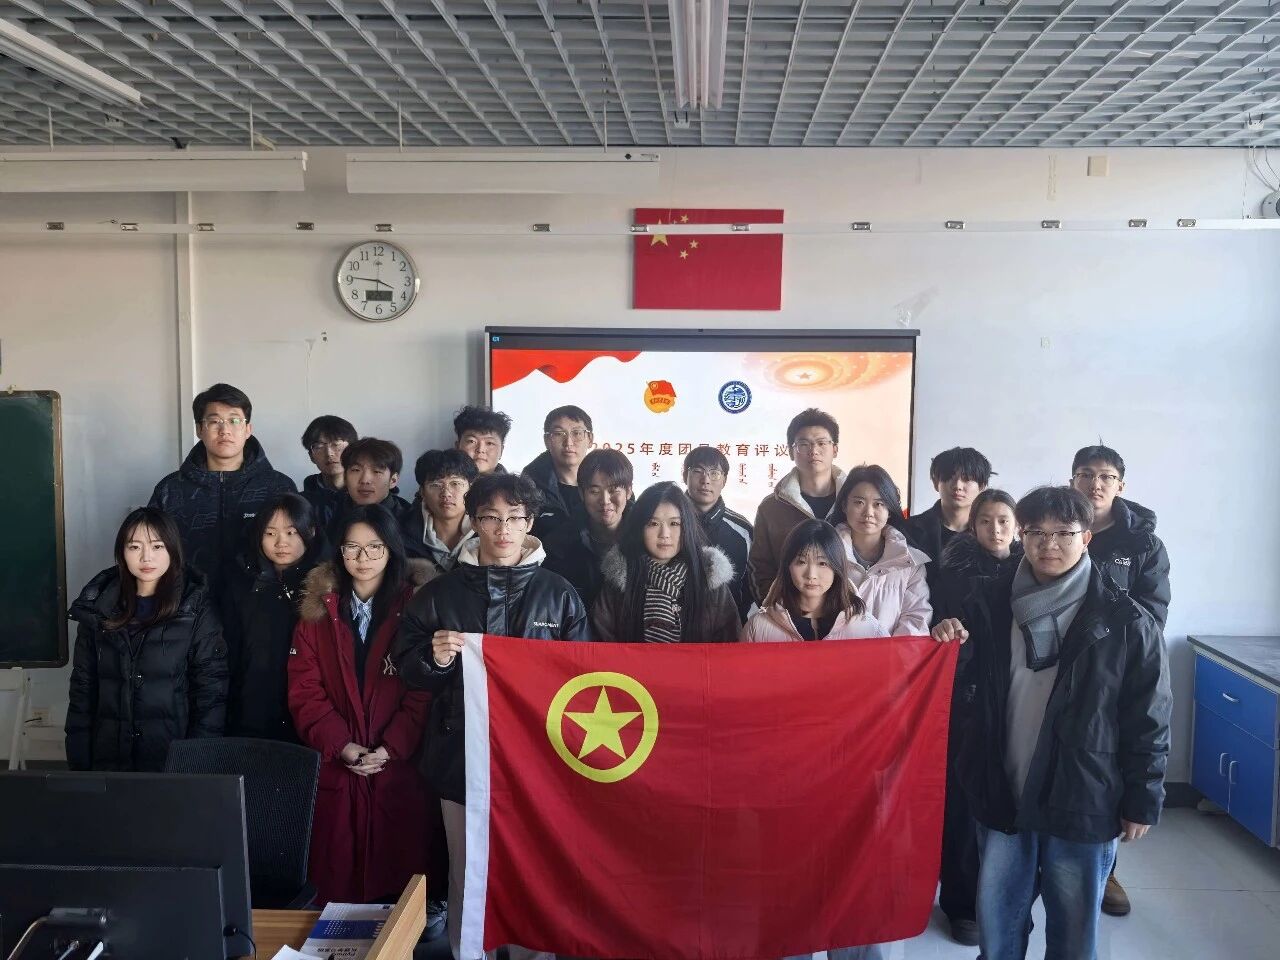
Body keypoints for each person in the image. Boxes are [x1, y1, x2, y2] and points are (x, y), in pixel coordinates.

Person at [931, 486, 1170, 960]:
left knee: (1073, 933)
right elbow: (965, 690)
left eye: (1063, 533)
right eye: (1037, 532)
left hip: (1083, 797)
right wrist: (947, 640)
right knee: (998, 926)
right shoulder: (988, 604)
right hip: (1003, 791)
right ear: (1022, 536)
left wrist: (1143, 798)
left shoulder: (1124, 621)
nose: (1049, 544)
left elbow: (1148, 717)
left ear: (1087, 538)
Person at [392, 472, 588, 960]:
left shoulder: (559, 593)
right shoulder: (439, 594)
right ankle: (469, 954)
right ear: (474, 522)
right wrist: (433, 658)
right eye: (491, 518)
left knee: (534, 871)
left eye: (515, 518)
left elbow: (583, 679)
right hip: (460, 756)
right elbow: (407, 668)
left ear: (530, 523)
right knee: (469, 870)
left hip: (538, 760)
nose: (503, 529)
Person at [288, 504, 433, 905]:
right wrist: (343, 745)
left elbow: (423, 690)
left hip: (398, 767)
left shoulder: (418, 608)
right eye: (352, 547)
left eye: (374, 547)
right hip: (339, 763)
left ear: (392, 549)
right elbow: (305, 690)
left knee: (399, 890)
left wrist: (391, 748)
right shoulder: (318, 611)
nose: (362, 558)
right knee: (334, 886)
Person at [1070, 444, 1171, 918]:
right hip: (1057, 663)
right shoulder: (1059, 527)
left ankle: (1105, 869)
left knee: (1105, 767)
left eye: (1106, 476)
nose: (1096, 484)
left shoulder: (1143, 544)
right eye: (1086, 474)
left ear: (1121, 485)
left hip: (1113, 671)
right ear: (1072, 479)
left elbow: (1152, 615)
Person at [66, 507, 228, 771]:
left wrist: (196, 763)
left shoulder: (195, 609)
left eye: (157, 546)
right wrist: (79, 762)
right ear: (122, 552)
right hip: (109, 758)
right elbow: (83, 689)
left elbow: (210, 693)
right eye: (134, 547)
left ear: (173, 550)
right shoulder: (97, 608)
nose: (146, 557)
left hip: (171, 759)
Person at [932, 488, 1022, 945]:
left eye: (1004, 521)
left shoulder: (1033, 571)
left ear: (1017, 526)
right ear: (973, 526)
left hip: (1020, 701)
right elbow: (938, 633)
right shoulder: (952, 574)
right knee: (963, 806)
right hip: (967, 702)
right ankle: (962, 904)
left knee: (1014, 802)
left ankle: (1011, 902)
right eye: (986, 521)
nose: (995, 530)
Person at [149, 382, 296, 598]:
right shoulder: (170, 489)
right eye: (214, 421)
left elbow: (300, 553)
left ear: (248, 429)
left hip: (260, 606)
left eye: (234, 420)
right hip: (186, 606)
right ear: (199, 429)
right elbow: (151, 552)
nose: (225, 430)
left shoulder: (278, 487)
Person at [221, 492, 321, 742]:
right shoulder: (240, 582)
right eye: (270, 533)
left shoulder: (327, 585)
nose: (281, 543)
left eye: (291, 532)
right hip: (249, 710)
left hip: (308, 713)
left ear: (310, 531)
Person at [592, 482, 740, 643]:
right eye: (653, 523)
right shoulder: (620, 580)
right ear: (639, 528)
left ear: (687, 527)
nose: (665, 534)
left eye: (674, 523)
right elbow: (601, 645)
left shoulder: (709, 578)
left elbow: (730, 647)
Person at [750, 409, 847, 600]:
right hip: (787, 611)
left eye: (822, 443)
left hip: (848, 611)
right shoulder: (771, 507)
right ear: (790, 452)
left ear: (835, 449)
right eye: (804, 444)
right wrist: (777, 607)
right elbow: (759, 567)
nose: (814, 451)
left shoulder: (854, 502)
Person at [742, 520, 887, 643]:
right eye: (801, 562)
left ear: (837, 567)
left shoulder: (868, 629)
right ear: (787, 566)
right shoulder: (758, 627)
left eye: (822, 563)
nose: (811, 575)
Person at [833, 465, 932, 635]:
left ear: (890, 510)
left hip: (892, 652)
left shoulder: (910, 563)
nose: (868, 513)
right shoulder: (824, 555)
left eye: (878, 504)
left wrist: (889, 652)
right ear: (844, 505)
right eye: (859, 502)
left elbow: (916, 618)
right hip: (836, 651)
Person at [544, 448, 634, 608]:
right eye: (594, 491)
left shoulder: (647, 539)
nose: (605, 500)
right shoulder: (559, 546)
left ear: (628, 491)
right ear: (581, 493)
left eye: (613, 490)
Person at [683, 446, 755, 623]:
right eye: (698, 471)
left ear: (724, 480)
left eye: (714, 473)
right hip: (673, 629)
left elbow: (752, 588)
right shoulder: (667, 522)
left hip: (728, 629)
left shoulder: (742, 530)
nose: (706, 480)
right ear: (685, 476)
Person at [521, 405, 593, 561]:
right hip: (544, 572)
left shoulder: (609, 484)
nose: (569, 442)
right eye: (559, 434)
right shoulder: (527, 489)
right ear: (547, 440)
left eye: (577, 433)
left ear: (590, 439)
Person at [904, 446, 993, 567]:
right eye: (949, 478)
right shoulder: (908, 530)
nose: (958, 486)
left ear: (981, 486)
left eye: (967, 479)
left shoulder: (992, 531)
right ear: (936, 483)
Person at [401, 449, 479, 578]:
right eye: (436, 485)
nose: (446, 493)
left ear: (471, 489)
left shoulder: (487, 532)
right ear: (422, 492)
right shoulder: (401, 530)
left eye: (455, 483)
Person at [325, 437, 413, 543]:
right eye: (356, 470)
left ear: (393, 480)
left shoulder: (410, 521)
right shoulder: (329, 512)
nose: (365, 480)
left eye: (377, 471)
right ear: (345, 477)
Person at [300, 415, 358, 537]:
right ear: (311, 456)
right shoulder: (302, 503)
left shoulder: (369, 495)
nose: (329, 453)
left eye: (336, 445)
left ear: (352, 450)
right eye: (319, 447)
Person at [453, 404, 512, 475]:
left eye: (489, 443)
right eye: (472, 441)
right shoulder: (442, 480)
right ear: (457, 447)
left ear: (501, 451)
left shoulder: (516, 482)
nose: (480, 449)